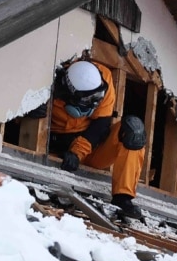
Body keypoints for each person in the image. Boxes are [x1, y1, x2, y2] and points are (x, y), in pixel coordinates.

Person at [49, 59, 147, 220]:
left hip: (91, 147)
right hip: (54, 145)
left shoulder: (105, 79)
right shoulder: (49, 82)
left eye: (96, 97)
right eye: (87, 100)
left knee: (133, 129)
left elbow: (100, 126)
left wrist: (77, 153)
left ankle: (123, 197)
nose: (93, 103)